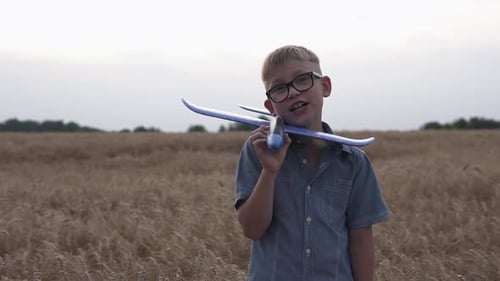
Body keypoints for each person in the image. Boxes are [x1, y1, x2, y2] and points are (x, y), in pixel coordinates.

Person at [234, 45, 390, 281]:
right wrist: (269, 171)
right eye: (279, 89)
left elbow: (361, 237)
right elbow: (252, 229)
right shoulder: (258, 150)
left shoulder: (354, 161)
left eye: (303, 80)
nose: (294, 92)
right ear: (270, 107)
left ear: (325, 86)